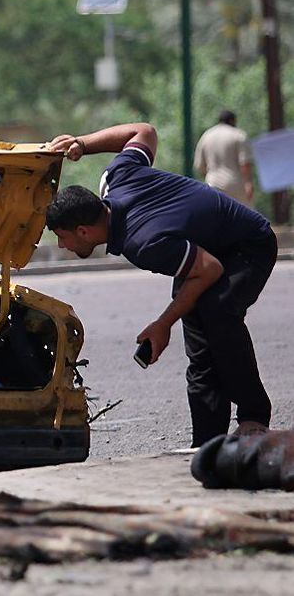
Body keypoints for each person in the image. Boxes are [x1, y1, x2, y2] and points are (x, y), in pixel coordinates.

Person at [44, 123, 277, 447]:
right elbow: (144, 132)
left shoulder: (143, 242)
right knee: (199, 341)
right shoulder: (116, 177)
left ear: (83, 231)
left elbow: (208, 270)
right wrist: (82, 143)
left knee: (216, 311)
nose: (62, 246)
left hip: (248, 244)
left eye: (62, 238)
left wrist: (162, 324)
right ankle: (207, 443)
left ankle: (254, 418)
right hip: (200, 248)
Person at [194, 109, 255, 207]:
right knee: (240, 219)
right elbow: (244, 163)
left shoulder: (207, 135)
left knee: (217, 219)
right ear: (232, 120)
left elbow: (199, 165)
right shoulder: (238, 135)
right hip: (235, 185)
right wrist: (248, 183)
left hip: (212, 183)